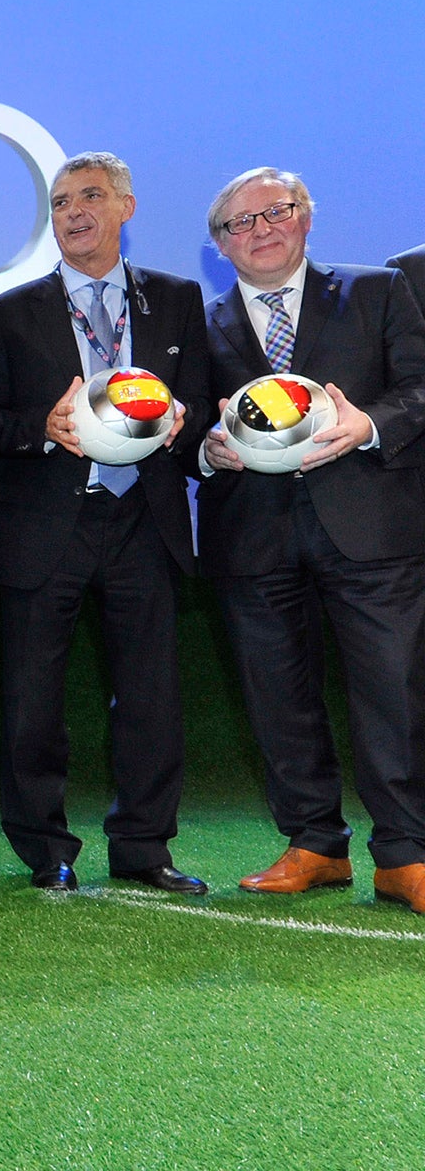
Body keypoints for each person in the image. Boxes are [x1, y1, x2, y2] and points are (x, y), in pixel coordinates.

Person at [198, 168, 425, 914]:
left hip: (371, 530)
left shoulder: (376, 290)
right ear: (220, 246)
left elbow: (420, 388)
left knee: (393, 695)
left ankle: (406, 854)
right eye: (241, 222)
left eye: (277, 212)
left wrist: (368, 425)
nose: (261, 229)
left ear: (306, 218)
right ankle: (315, 845)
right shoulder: (199, 325)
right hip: (253, 538)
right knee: (277, 698)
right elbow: (179, 426)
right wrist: (208, 451)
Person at [0, 153, 209, 894]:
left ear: (126, 208)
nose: (74, 212)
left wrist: (183, 419)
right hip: (45, 519)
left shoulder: (176, 301)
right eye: (59, 202)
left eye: (90, 197)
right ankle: (47, 850)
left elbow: (200, 404)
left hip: (145, 515)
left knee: (150, 697)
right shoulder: (6, 312)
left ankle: (145, 848)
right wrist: (39, 425)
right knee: (33, 702)